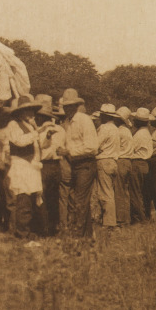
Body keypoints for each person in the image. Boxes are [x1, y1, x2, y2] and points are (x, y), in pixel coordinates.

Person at [58, 89, 98, 239]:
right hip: (76, 165)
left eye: (70, 105)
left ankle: (78, 235)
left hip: (86, 165)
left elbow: (92, 147)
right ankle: (87, 235)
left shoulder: (84, 120)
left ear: (76, 105)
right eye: (65, 106)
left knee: (80, 200)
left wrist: (69, 152)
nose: (67, 108)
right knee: (81, 200)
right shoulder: (69, 122)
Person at [1, 99, 44, 239]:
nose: (31, 113)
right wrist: (36, 133)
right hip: (20, 166)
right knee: (23, 199)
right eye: (27, 110)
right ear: (20, 112)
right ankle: (21, 232)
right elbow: (19, 141)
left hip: (31, 167)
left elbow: (37, 146)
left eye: (32, 110)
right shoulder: (13, 125)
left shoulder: (31, 126)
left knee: (32, 200)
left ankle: (29, 229)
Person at [34, 96, 63, 237]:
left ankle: (43, 228)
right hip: (57, 166)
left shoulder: (39, 131)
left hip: (44, 166)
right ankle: (54, 226)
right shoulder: (60, 129)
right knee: (54, 198)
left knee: (42, 198)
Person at [92, 104, 120, 230]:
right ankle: (110, 220)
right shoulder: (115, 128)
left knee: (105, 192)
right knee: (110, 191)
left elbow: (95, 145)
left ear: (104, 116)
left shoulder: (104, 128)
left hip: (103, 161)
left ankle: (109, 223)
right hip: (113, 161)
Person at [125, 108, 153, 225]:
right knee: (142, 192)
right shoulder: (147, 133)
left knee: (135, 193)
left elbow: (130, 149)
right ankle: (144, 216)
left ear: (138, 121)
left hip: (137, 163)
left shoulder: (138, 135)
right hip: (145, 164)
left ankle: (139, 219)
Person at [113, 106, 136, 226]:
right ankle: (126, 218)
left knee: (119, 191)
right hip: (128, 162)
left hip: (121, 161)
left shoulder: (119, 131)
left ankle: (120, 219)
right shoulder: (128, 131)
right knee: (125, 191)